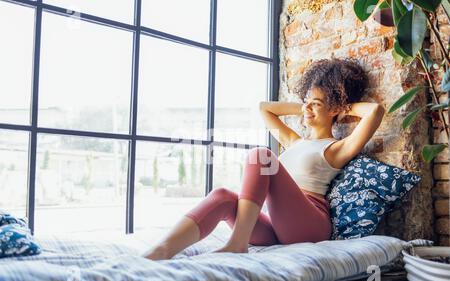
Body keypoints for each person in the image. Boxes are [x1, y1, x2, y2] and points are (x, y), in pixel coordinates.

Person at [143, 58, 385, 260]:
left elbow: (375, 112)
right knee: (223, 196)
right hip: (278, 224)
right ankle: (160, 251)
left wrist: (340, 104)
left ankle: (238, 242)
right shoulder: (294, 141)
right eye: (306, 103)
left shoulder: (336, 148)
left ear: (334, 109)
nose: (307, 109)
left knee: (261, 156)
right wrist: (310, 104)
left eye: (316, 105)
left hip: (309, 223)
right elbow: (264, 108)